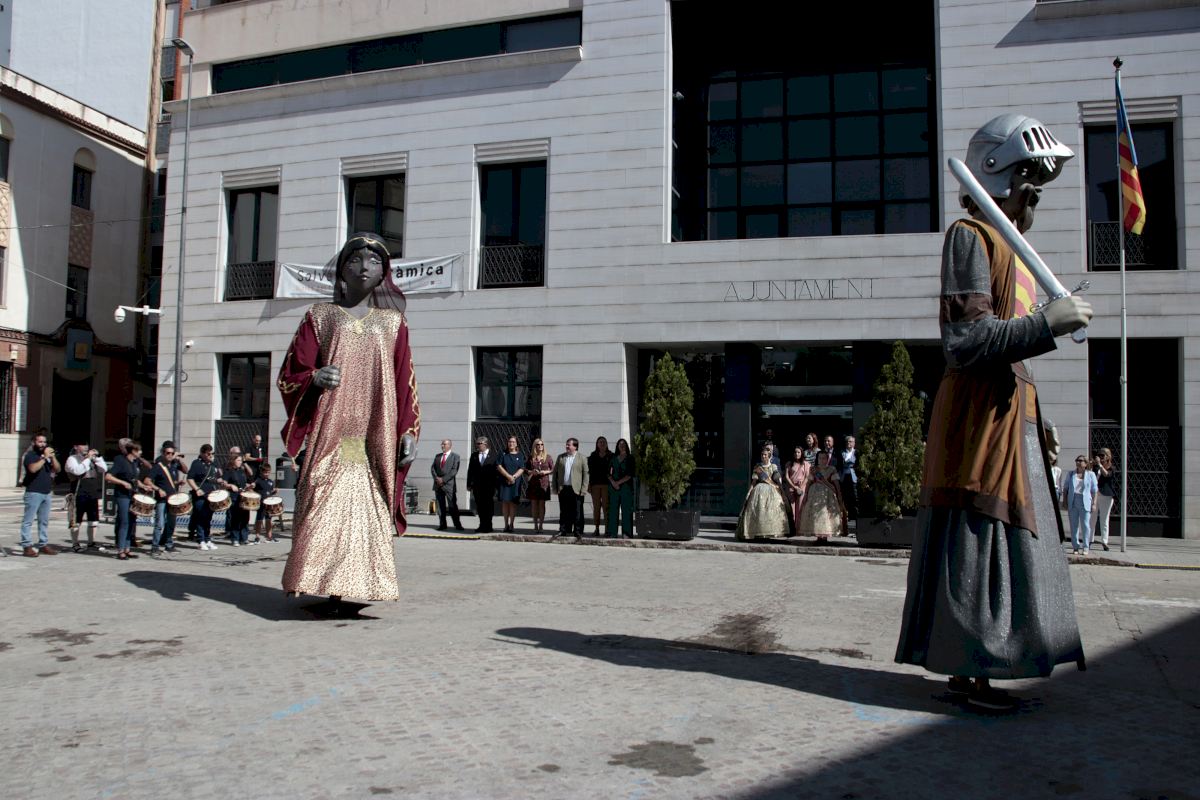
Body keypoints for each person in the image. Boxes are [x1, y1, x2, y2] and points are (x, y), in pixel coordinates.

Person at [896, 114, 1092, 712]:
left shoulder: (1013, 251)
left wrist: (1036, 414)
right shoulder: (970, 236)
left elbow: (1008, 345)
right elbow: (966, 340)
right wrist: (1046, 324)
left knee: (1007, 533)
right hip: (978, 419)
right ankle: (971, 667)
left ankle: (986, 664)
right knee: (979, 527)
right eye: (1030, 180)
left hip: (1011, 413)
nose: (1035, 195)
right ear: (1001, 174)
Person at [278, 232, 420, 605]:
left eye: (374, 261)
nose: (364, 267)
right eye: (355, 260)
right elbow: (291, 371)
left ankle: (357, 584)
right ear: (342, 269)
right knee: (323, 497)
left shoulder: (393, 323)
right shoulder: (320, 316)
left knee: (364, 504)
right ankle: (317, 577)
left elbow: (405, 381)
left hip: (371, 433)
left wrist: (408, 430)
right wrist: (314, 377)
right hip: (332, 429)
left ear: (383, 273)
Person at [106, 440, 151, 560]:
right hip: (122, 495)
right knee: (124, 522)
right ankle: (120, 550)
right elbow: (108, 476)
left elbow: (134, 479)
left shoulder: (134, 462)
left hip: (132, 494)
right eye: (139, 450)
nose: (141, 452)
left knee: (131, 521)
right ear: (133, 451)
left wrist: (143, 486)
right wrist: (123, 483)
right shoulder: (120, 460)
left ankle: (127, 549)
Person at [735, 446, 791, 540]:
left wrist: (781, 489)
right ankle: (757, 532)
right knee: (758, 511)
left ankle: (770, 532)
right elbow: (754, 482)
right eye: (762, 455)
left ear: (769, 456)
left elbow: (777, 479)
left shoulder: (773, 466)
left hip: (772, 490)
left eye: (765, 455)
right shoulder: (758, 467)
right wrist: (749, 492)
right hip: (759, 490)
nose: (763, 456)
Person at [19, 433, 61, 557]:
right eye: (40, 442)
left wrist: (52, 458)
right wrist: (44, 458)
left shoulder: (47, 457)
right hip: (33, 492)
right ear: (34, 443)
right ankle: (27, 546)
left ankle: (43, 544)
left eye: (44, 442)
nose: (43, 444)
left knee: (44, 521)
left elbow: (58, 469)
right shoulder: (30, 455)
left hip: (46, 492)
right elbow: (33, 469)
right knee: (28, 521)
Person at [65, 441, 107, 553]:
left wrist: (98, 458)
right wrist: (88, 459)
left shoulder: (92, 459)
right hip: (78, 492)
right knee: (76, 520)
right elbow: (78, 471)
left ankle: (91, 542)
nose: (85, 447)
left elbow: (104, 469)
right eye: (82, 445)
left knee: (93, 520)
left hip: (92, 491)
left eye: (86, 445)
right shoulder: (72, 459)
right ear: (76, 447)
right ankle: (75, 543)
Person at [796, 451, 847, 540]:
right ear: (817, 459)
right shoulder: (813, 469)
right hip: (814, 494)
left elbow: (836, 483)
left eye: (824, 458)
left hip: (827, 495)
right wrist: (806, 494)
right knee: (816, 514)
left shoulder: (832, 469)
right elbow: (809, 483)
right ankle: (818, 536)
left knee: (825, 514)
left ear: (827, 459)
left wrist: (839, 494)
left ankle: (825, 536)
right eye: (820, 458)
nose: (822, 460)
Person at [149, 441, 183, 555]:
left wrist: (178, 483)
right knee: (159, 524)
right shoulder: (158, 466)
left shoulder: (173, 467)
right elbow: (147, 481)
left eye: (172, 453)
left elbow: (170, 481)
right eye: (168, 453)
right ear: (163, 453)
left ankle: (169, 544)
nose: (170, 455)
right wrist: (158, 489)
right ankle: (155, 546)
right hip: (162, 500)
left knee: (171, 523)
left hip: (172, 499)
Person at [187, 444, 222, 551]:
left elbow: (216, 477)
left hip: (211, 495)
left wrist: (219, 480)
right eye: (208, 454)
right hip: (200, 495)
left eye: (212, 453)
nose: (210, 455)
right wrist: (197, 489)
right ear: (202, 453)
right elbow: (190, 478)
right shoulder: (196, 463)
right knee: (201, 517)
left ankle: (207, 539)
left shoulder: (213, 464)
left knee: (208, 518)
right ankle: (200, 540)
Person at [551, 438, 588, 540]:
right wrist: (554, 487)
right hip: (563, 488)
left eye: (569, 445)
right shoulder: (561, 457)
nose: (567, 446)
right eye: (566, 444)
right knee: (564, 510)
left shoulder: (582, 458)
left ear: (575, 446)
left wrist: (584, 489)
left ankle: (578, 531)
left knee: (577, 511)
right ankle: (563, 530)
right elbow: (555, 473)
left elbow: (586, 475)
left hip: (576, 489)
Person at [1061, 455, 1098, 555]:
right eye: (1077, 460)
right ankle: (1075, 546)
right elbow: (1066, 488)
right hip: (1073, 500)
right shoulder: (1071, 474)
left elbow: (1094, 490)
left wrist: (1094, 503)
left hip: (1085, 501)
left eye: (1080, 461)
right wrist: (1065, 501)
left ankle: (1085, 546)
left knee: (1085, 525)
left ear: (1085, 463)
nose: (1078, 462)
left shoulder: (1091, 475)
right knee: (1074, 525)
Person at [466, 436, 498, 533]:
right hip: (477, 486)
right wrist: (469, 484)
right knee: (480, 506)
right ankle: (482, 525)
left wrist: (496, 484)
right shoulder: (474, 455)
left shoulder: (494, 455)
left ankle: (488, 525)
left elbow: (496, 471)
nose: (478, 445)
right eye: (477, 443)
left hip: (489, 486)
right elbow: (470, 470)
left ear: (486, 444)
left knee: (488, 506)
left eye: (480, 443)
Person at [430, 439, 464, 532]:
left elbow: (454, 471)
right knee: (440, 506)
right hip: (438, 485)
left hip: (449, 486)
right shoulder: (437, 456)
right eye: (442, 444)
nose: (442, 446)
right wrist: (437, 478)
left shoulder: (455, 456)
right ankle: (442, 524)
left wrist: (443, 480)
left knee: (452, 506)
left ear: (449, 445)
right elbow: (433, 469)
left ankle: (457, 524)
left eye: (444, 444)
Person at [606, 438, 636, 538]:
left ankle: (626, 533)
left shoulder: (630, 458)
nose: (622, 446)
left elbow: (630, 474)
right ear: (617, 446)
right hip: (613, 488)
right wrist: (613, 482)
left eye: (624, 444)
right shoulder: (613, 458)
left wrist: (618, 483)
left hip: (626, 488)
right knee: (613, 510)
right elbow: (608, 473)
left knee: (626, 511)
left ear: (626, 446)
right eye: (620, 444)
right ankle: (612, 533)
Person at [497, 435, 526, 533]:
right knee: (505, 503)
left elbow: (522, 468)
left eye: (513, 442)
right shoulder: (503, 453)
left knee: (513, 503)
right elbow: (499, 466)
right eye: (509, 441)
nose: (511, 443)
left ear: (516, 444)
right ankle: (505, 525)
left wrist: (513, 477)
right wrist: (508, 476)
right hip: (504, 481)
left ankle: (511, 524)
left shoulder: (520, 455)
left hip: (515, 482)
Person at [524, 438, 554, 533]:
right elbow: (525, 470)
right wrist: (532, 471)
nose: (540, 446)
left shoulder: (548, 457)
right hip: (533, 483)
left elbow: (553, 469)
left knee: (542, 505)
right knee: (534, 505)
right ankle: (535, 525)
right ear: (535, 446)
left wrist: (545, 472)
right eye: (538, 444)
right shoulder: (531, 458)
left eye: (542, 444)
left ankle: (541, 525)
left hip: (543, 484)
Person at [222, 454, 251, 546]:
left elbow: (247, 479)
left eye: (241, 460)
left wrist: (248, 486)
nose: (240, 462)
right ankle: (235, 538)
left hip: (243, 496)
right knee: (235, 518)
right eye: (238, 460)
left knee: (245, 517)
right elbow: (224, 484)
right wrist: (230, 485)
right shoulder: (228, 471)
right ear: (233, 461)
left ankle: (244, 538)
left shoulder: (242, 471)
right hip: (234, 497)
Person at [587, 436, 612, 535]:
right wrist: (589, 484)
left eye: (604, 442)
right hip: (595, 485)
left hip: (607, 485)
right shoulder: (593, 456)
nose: (602, 444)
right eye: (600, 442)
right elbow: (590, 472)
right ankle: (596, 528)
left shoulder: (611, 455)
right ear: (597, 444)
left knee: (606, 507)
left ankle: (607, 529)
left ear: (606, 444)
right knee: (596, 507)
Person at [1091, 448, 1115, 552]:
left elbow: (1107, 475)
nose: (1100, 457)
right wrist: (1092, 464)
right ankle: (1089, 540)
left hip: (1106, 496)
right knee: (1092, 518)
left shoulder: (1111, 468)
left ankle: (1104, 541)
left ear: (1108, 457)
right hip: (1095, 495)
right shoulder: (1095, 467)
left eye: (1102, 455)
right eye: (1099, 455)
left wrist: (1100, 465)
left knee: (1104, 519)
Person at [834, 435, 859, 525]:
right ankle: (846, 518)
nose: (849, 443)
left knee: (855, 497)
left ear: (854, 443)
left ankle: (855, 517)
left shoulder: (857, 452)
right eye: (847, 441)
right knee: (844, 496)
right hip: (843, 477)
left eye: (850, 441)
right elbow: (838, 465)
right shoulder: (841, 452)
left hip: (854, 477)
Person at [783, 445, 811, 525]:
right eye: (795, 452)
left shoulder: (806, 464)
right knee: (792, 509)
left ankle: (799, 527)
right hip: (791, 487)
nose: (797, 454)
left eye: (798, 452)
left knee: (800, 508)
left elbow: (807, 477)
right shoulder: (789, 463)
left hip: (802, 488)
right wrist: (794, 486)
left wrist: (800, 487)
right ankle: (793, 528)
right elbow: (786, 477)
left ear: (802, 453)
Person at [253, 462, 278, 542]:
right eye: (265, 472)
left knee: (268, 520)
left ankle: (269, 536)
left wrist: (274, 491)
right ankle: (257, 536)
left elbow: (270, 492)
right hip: (261, 503)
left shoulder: (271, 481)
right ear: (261, 472)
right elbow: (253, 490)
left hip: (269, 504)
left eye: (268, 472)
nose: (267, 474)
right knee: (259, 520)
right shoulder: (258, 480)